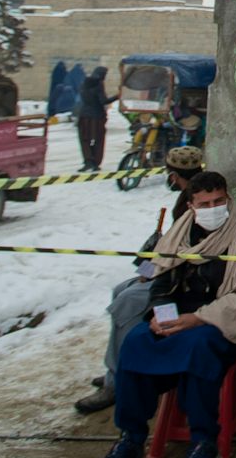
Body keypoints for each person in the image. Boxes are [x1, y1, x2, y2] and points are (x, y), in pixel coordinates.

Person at [96, 170, 236, 458]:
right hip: (178, 316)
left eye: (218, 201)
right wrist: (160, 317)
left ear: (228, 198)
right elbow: (161, 279)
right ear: (191, 206)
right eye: (204, 204)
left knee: (199, 347)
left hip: (222, 322)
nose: (212, 209)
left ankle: (203, 440)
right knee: (137, 341)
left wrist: (199, 318)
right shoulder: (181, 231)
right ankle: (131, 438)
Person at [73, 146, 205, 414]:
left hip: (185, 284)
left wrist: (151, 274)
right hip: (169, 272)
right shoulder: (185, 199)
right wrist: (146, 272)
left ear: (173, 175)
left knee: (127, 301)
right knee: (121, 289)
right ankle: (116, 365)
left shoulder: (194, 202)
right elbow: (167, 247)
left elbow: (176, 254)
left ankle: (117, 381)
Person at [76, 66, 111, 172]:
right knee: (98, 140)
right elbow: (103, 101)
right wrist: (118, 96)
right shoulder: (99, 84)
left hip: (84, 116)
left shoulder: (84, 83)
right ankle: (95, 162)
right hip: (97, 116)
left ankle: (88, 161)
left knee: (85, 140)